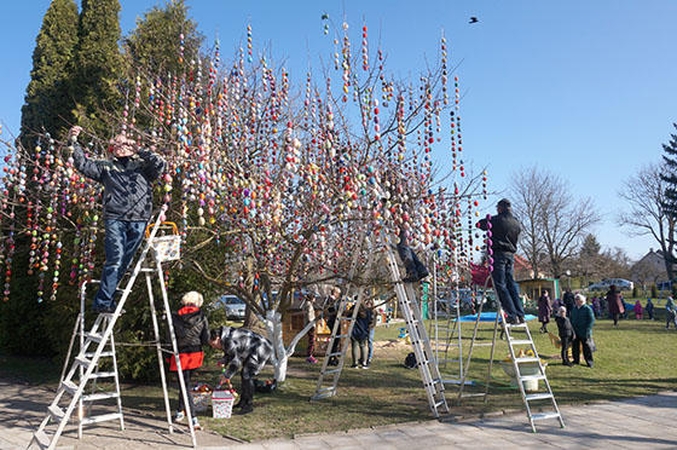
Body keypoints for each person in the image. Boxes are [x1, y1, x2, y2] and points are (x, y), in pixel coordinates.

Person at [68, 126, 166, 313]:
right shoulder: (105, 166)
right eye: (116, 144)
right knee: (115, 258)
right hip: (115, 217)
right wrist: (73, 140)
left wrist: (139, 149)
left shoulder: (143, 166)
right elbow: (82, 164)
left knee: (125, 262)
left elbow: (160, 165)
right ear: (112, 148)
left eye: (124, 143)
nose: (120, 146)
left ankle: (108, 297)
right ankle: (103, 302)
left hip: (139, 218)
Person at [476, 198, 525, 324]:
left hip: (498, 255)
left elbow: (480, 224)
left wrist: (485, 221)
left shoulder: (496, 220)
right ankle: (520, 313)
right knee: (511, 284)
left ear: (500, 208)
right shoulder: (516, 222)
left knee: (500, 285)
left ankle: (511, 314)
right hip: (511, 255)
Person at [209, 325, 274, 415]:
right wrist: (223, 360)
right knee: (244, 374)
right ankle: (243, 402)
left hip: (261, 348)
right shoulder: (225, 338)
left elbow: (236, 362)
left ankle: (248, 405)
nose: (213, 347)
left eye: (213, 344)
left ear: (217, 338)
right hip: (252, 349)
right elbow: (231, 354)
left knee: (247, 375)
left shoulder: (228, 340)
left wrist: (226, 376)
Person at [169, 291, 210, 429]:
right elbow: (206, 338)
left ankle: (192, 417)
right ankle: (181, 412)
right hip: (195, 354)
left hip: (180, 353)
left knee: (184, 385)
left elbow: (169, 338)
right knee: (185, 383)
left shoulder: (174, 316)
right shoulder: (202, 316)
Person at [571, 293, 595, 368]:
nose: (576, 301)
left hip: (584, 331)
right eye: (575, 300)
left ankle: (589, 362)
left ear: (582, 301)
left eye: (578, 300)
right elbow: (571, 318)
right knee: (575, 347)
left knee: (586, 348)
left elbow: (591, 320)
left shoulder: (587, 309)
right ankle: (576, 360)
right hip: (575, 331)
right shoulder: (574, 309)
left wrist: (587, 330)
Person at [349, 302, 372, 369]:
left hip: (356, 330)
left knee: (355, 346)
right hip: (363, 330)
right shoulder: (368, 310)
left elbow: (348, 316)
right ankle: (363, 363)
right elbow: (370, 321)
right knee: (363, 346)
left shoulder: (354, 308)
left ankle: (355, 363)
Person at [324, 286, 342, 366]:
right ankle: (331, 358)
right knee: (335, 341)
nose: (339, 295)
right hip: (333, 321)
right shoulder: (330, 300)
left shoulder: (334, 300)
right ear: (335, 293)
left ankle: (333, 357)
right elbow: (331, 311)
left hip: (335, 321)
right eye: (338, 293)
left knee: (336, 341)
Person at [302, 293, 318, 364]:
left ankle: (310, 355)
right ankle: (309, 356)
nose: (315, 300)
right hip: (310, 325)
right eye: (314, 298)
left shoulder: (306, 304)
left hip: (308, 324)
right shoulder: (309, 305)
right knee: (311, 340)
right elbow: (309, 315)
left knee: (311, 340)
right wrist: (312, 322)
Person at [366, 298, 378, 367]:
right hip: (365, 328)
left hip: (371, 329)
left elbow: (374, 322)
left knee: (370, 342)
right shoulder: (365, 311)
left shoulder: (374, 312)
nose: (368, 305)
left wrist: (370, 326)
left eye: (369, 304)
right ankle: (363, 358)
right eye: (367, 304)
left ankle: (369, 358)